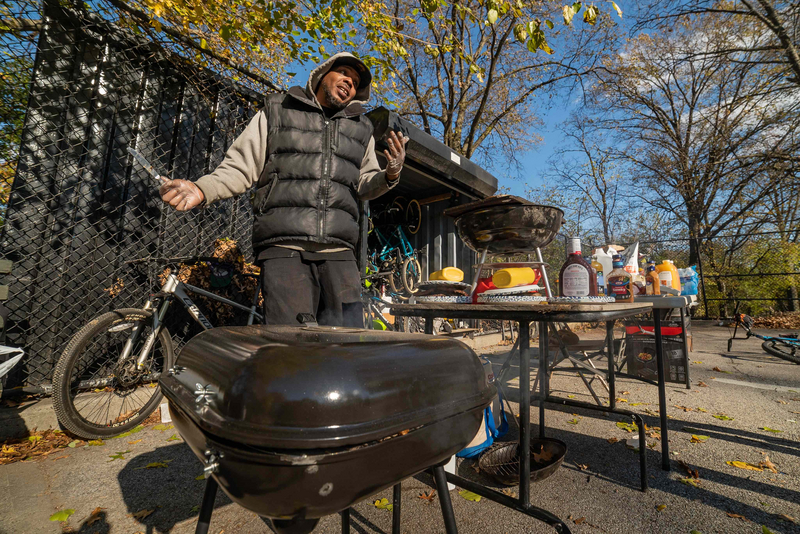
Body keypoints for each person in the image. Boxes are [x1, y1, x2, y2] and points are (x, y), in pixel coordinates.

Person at [159, 52, 408, 327]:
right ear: (322, 73)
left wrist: (390, 174)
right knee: (290, 342)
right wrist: (202, 188)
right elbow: (241, 167)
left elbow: (365, 184)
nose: (349, 81)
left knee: (348, 341)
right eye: (344, 73)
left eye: (356, 81)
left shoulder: (362, 129)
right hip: (284, 248)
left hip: (339, 254)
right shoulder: (278, 109)